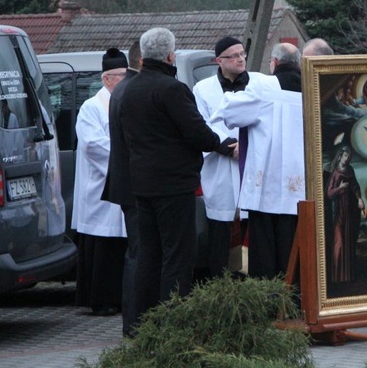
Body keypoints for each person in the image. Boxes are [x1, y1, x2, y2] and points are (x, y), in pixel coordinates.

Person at [119, 28, 229, 323]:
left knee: (149, 256)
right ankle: (174, 322)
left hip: (142, 185)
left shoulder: (130, 88)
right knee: (178, 257)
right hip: (173, 185)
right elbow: (197, 132)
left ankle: (143, 321)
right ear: (171, 55)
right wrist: (221, 143)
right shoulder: (171, 89)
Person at [209, 42, 304, 280]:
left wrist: (232, 93)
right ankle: (297, 298)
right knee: (294, 243)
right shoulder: (314, 85)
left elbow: (228, 113)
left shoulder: (264, 86)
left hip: (268, 184)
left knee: (266, 247)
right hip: (301, 184)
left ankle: (270, 299)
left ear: (273, 63)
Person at [193, 36, 259, 277]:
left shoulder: (256, 84)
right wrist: (230, 146)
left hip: (251, 165)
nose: (241, 59)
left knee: (249, 228)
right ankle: (220, 286)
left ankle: (249, 283)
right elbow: (201, 124)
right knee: (221, 231)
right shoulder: (202, 89)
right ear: (219, 61)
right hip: (220, 165)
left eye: (243, 54)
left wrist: (246, 145)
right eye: (235, 55)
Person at [72, 48, 129, 317]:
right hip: (99, 186)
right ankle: (100, 299)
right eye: (121, 75)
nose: (126, 80)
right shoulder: (92, 107)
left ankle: (120, 297)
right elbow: (93, 145)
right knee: (103, 245)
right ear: (107, 79)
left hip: (123, 183)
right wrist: (128, 155)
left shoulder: (127, 101)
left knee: (121, 246)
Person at [101, 40, 141, 336]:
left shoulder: (122, 93)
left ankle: (133, 320)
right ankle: (134, 320)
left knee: (136, 252)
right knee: (138, 253)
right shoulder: (130, 93)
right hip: (137, 184)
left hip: (130, 182)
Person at [326, 145, 365, 282]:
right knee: (339, 242)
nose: (347, 158)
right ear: (340, 156)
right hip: (338, 212)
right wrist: (340, 188)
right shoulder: (335, 173)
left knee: (348, 242)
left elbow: (355, 186)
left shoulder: (350, 170)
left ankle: (347, 275)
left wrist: (359, 198)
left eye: (349, 157)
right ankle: (336, 276)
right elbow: (329, 194)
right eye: (345, 156)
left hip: (350, 211)